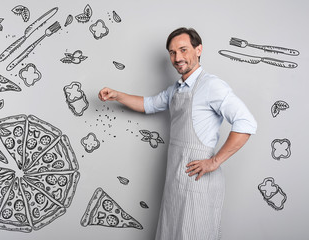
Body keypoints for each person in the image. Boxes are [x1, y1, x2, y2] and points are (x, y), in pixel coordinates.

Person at [98, 27, 257, 240]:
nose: (177, 57)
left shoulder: (212, 85)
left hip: (199, 180)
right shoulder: (176, 88)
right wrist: (117, 95)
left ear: (198, 49)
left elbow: (246, 123)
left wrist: (214, 161)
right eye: (172, 52)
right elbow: (148, 104)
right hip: (176, 178)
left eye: (183, 50)